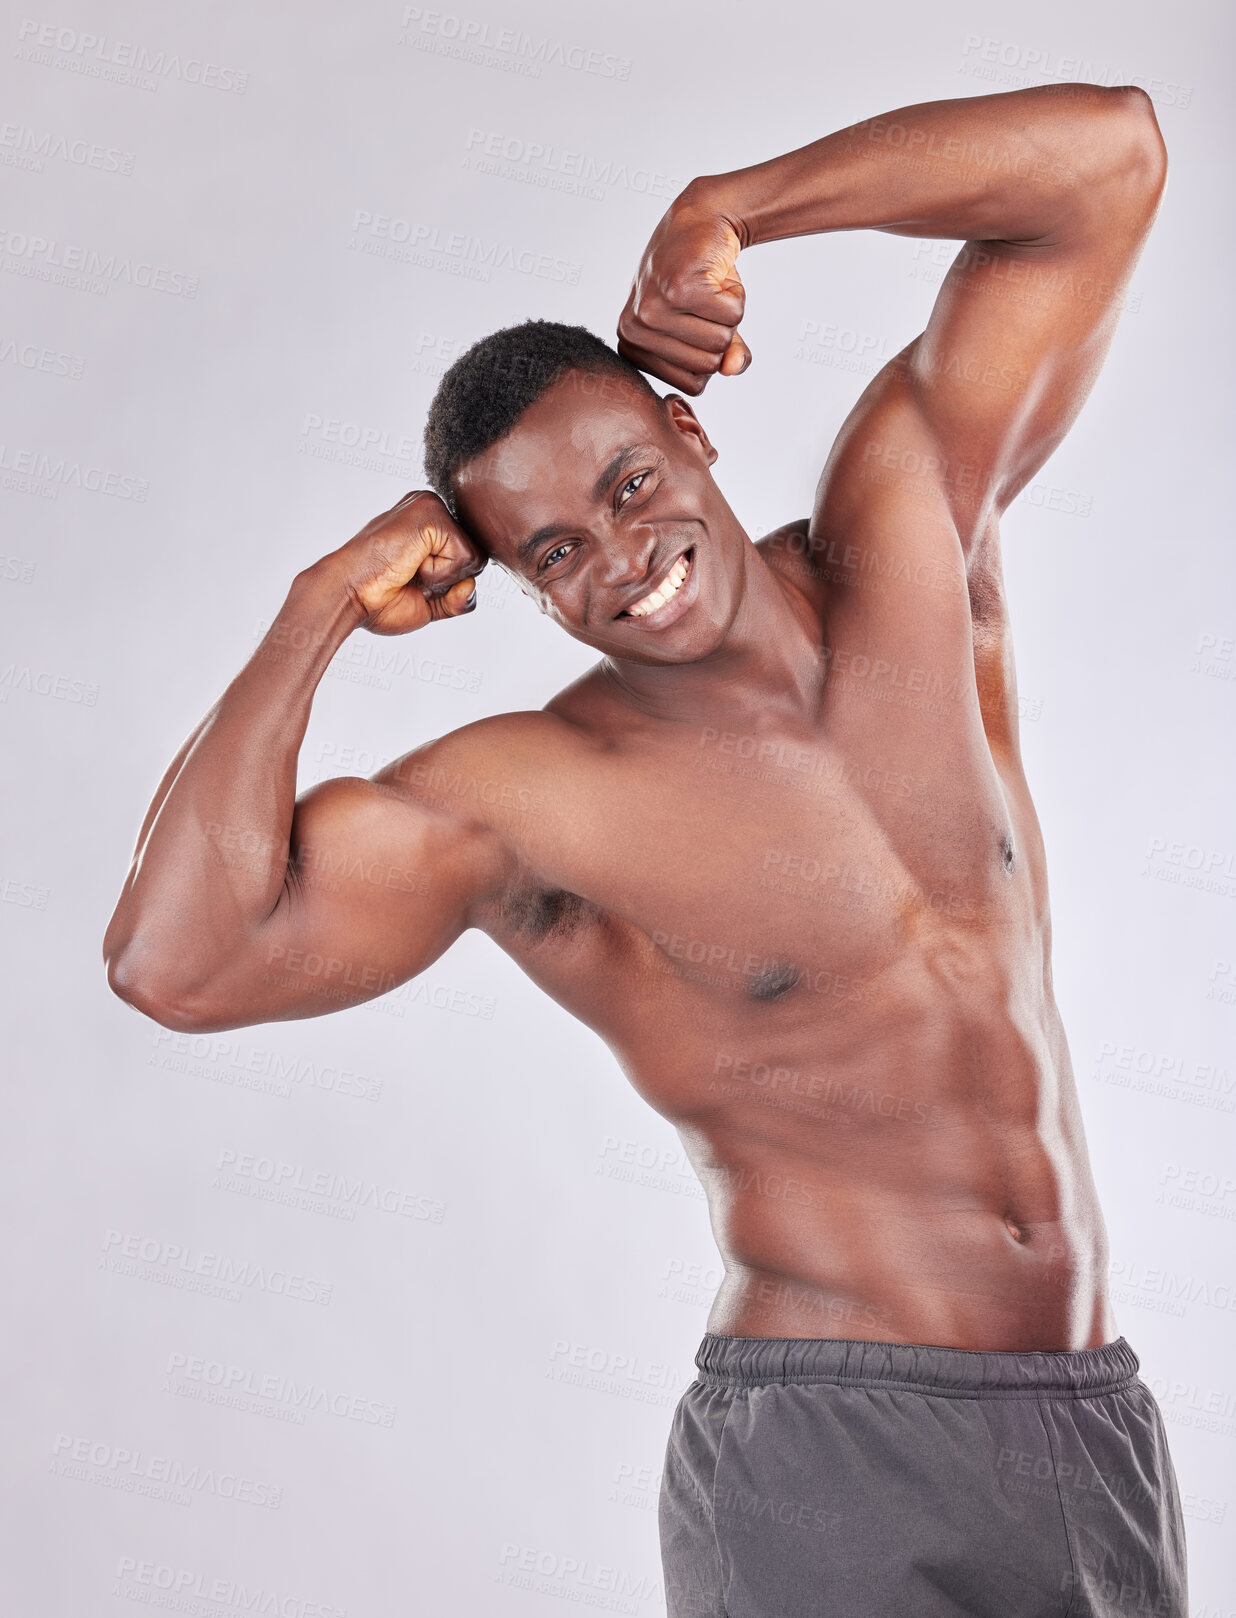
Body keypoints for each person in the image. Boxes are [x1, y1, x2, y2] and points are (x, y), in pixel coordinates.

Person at [104, 82, 1186, 1616]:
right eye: (555, 552)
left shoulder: (914, 538)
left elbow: (1111, 161)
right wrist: (323, 600)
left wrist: (736, 202)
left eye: (627, 486)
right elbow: (175, 961)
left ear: (687, 429)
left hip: (1085, 1423)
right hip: (831, 1448)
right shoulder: (536, 794)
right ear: (527, 591)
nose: (622, 559)